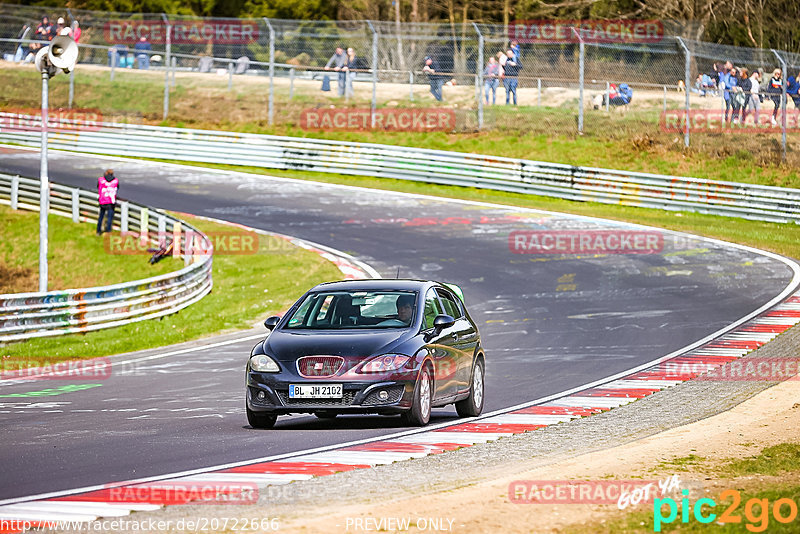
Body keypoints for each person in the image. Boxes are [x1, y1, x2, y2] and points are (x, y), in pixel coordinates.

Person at [97, 169, 119, 235]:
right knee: (109, 218)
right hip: (111, 201)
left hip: (102, 200)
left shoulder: (101, 180)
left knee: (101, 217)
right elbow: (117, 188)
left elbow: (98, 187)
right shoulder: (115, 181)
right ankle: (108, 231)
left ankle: (98, 231)